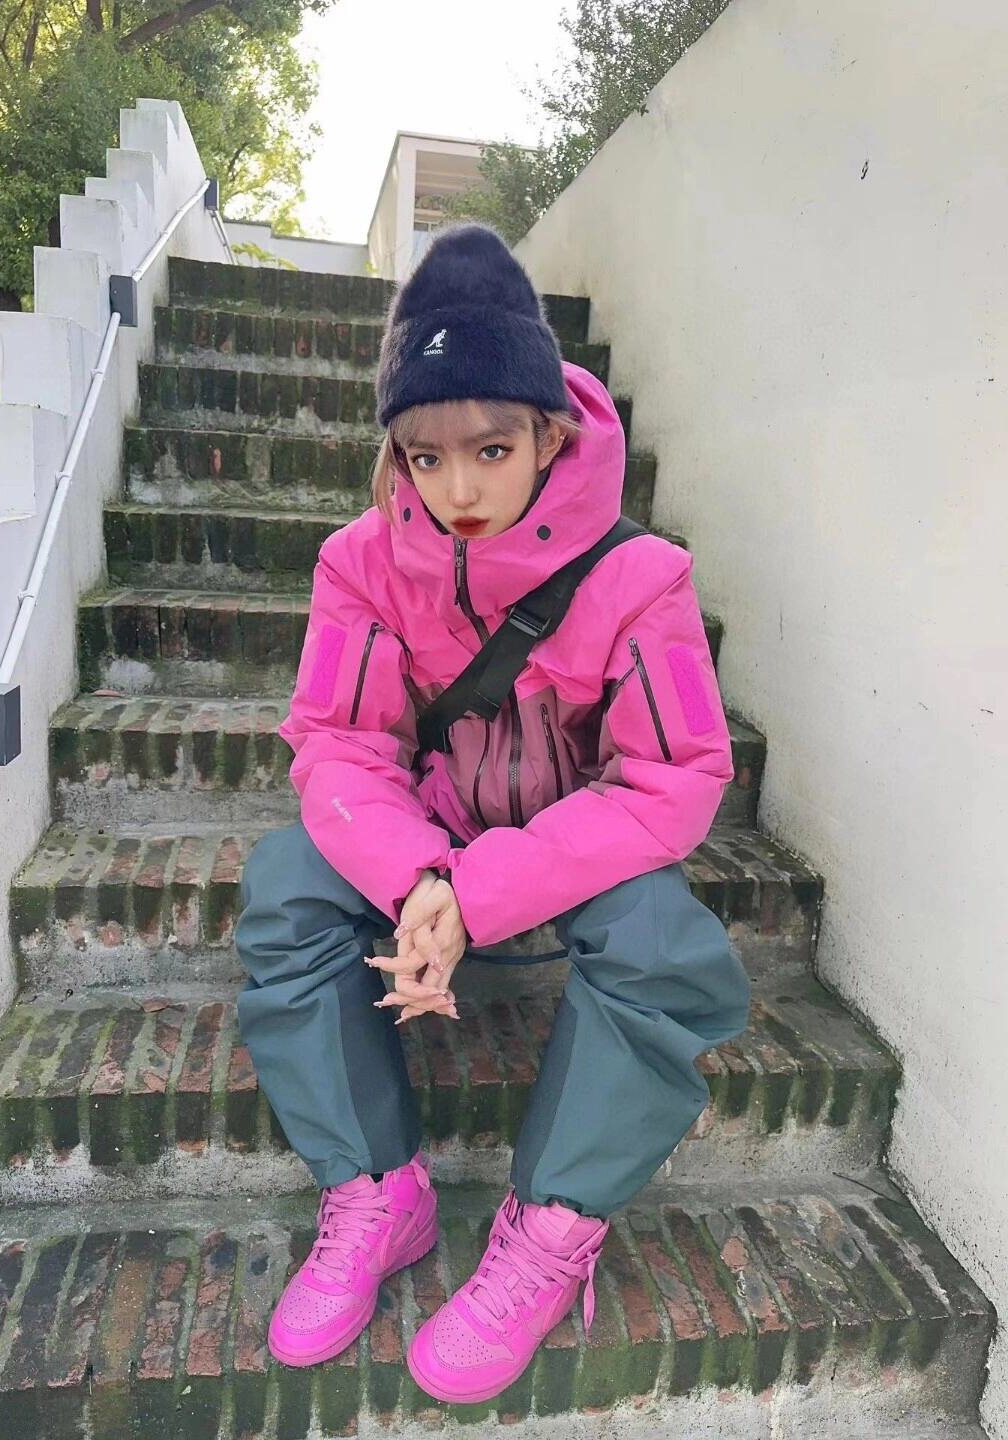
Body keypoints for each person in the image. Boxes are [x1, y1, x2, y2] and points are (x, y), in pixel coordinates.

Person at [235, 221, 751, 1405]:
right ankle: (377, 1191)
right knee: (285, 884)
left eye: (491, 448)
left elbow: (673, 780)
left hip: (569, 854)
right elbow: (338, 743)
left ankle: (555, 1222)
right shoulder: (359, 564)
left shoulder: (641, 579)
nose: (458, 489)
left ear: (551, 434)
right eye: (423, 455)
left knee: (666, 946)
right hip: (420, 841)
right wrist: (423, 878)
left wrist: (481, 892)